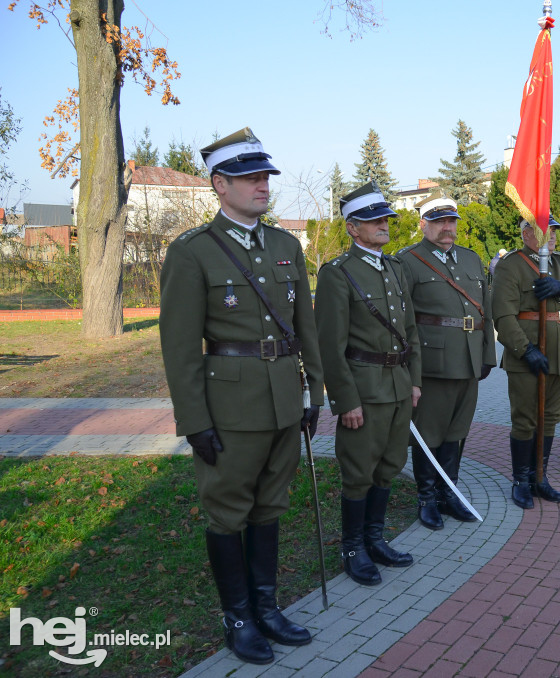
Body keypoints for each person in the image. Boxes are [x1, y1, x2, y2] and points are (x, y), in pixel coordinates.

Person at [159, 128, 322, 664]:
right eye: (250, 176)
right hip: (229, 406)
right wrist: (193, 420)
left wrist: (313, 393)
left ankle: (268, 608)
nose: (262, 184)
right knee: (229, 511)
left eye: (266, 176)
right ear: (219, 184)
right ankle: (238, 616)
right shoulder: (192, 252)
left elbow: (306, 329)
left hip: (283, 398)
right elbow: (180, 347)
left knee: (271, 505)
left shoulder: (284, 245)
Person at [315, 181, 421, 586]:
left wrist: (414, 381)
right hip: (363, 389)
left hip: (397, 385)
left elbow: (410, 331)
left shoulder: (395, 268)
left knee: (390, 465)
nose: (384, 224)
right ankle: (353, 548)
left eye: (386, 218)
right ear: (352, 228)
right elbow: (330, 344)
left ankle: (375, 539)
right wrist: (346, 401)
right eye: (374, 220)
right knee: (359, 471)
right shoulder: (338, 274)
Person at [396, 190, 495, 529]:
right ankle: (426, 497)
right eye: (439, 221)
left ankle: (447, 492)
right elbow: (403, 321)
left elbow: (486, 311)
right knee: (429, 432)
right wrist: (412, 371)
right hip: (433, 363)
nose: (447, 227)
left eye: (451, 221)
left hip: (468, 360)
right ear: (423, 224)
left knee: (457, 431)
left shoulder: (470, 259)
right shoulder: (407, 261)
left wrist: (487, 354)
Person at [492, 216, 560, 508]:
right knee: (525, 420)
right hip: (528, 355)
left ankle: (540, 477)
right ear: (526, 234)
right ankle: (521, 481)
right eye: (543, 232)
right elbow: (503, 315)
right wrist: (526, 350)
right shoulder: (512, 265)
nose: (551, 237)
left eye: (554, 232)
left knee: (550, 418)